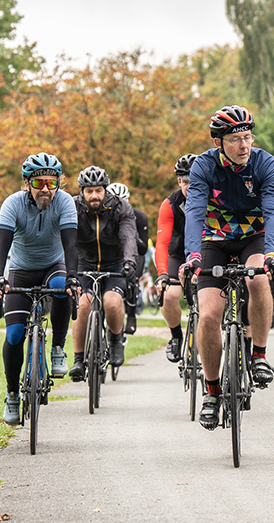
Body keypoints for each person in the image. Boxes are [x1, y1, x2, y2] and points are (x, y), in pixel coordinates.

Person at [182, 105, 274, 431]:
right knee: (210, 314)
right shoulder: (204, 166)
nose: (244, 146)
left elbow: (273, 212)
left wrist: (273, 255)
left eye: (248, 138)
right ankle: (211, 392)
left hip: (253, 240)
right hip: (214, 240)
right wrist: (192, 257)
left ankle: (259, 354)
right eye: (236, 140)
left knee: (258, 280)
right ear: (218, 143)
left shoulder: (264, 163)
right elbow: (195, 211)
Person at [0, 152, 79, 425]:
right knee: (15, 334)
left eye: (51, 184)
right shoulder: (12, 204)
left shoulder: (64, 202)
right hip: (21, 270)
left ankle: (58, 349)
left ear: (59, 185)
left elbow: (70, 246)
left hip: (54, 265)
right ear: (27, 183)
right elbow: (1, 248)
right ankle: (13, 395)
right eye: (39, 183)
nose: (45, 190)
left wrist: (73, 278)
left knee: (62, 285)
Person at [67, 166, 138, 381]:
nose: (94, 195)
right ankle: (79, 359)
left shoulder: (120, 207)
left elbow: (128, 237)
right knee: (83, 305)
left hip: (114, 264)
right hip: (83, 263)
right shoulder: (72, 207)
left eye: (98, 190)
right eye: (89, 191)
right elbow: (64, 238)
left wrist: (129, 262)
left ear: (105, 190)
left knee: (111, 302)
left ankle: (116, 341)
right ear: (82, 192)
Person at [155, 153, 195, 362]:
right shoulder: (170, 204)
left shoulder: (216, 200)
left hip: (208, 253)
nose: (190, 186)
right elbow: (161, 243)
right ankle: (176, 336)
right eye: (185, 181)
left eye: (194, 181)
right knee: (169, 295)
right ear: (179, 181)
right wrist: (162, 274)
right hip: (178, 253)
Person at [106, 182, 149, 335]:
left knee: (131, 278)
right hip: (112, 257)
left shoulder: (140, 216)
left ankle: (131, 314)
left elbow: (144, 249)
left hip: (135, 255)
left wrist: (131, 234)